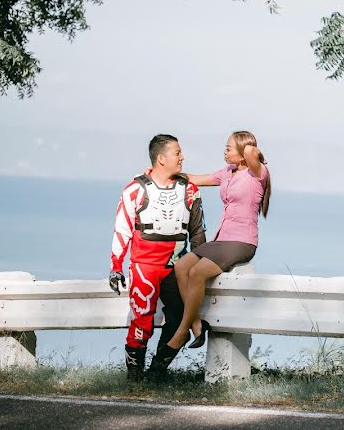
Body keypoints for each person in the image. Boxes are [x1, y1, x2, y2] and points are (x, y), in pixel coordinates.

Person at [162, 130, 271, 356]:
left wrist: (251, 151)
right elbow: (195, 179)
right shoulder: (227, 173)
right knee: (182, 267)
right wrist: (161, 173)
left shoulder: (257, 173)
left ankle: (183, 331)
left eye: (229, 148)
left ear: (242, 153)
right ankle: (196, 324)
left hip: (242, 242)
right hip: (221, 240)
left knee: (197, 273)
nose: (224, 151)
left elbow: (251, 150)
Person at [108, 134, 206, 382]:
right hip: (144, 267)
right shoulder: (134, 190)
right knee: (141, 323)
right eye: (177, 153)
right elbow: (122, 229)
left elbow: (198, 232)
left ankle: (156, 373)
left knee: (182, 318)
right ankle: (134, 379)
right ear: (161, 158)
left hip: (178, 268)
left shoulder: (190, 190)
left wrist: (202, 265)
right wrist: (116, 267)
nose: (182, 157)